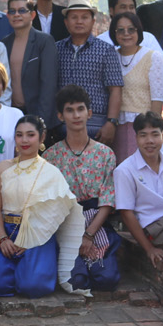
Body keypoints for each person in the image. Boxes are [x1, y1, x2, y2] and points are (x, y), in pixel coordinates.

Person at [0, 114, 80, 299]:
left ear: (41, 138)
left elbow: (57, 212)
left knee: (33, 286)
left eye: (30, 135)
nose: (24, 140)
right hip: (7, 232)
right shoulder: (2, 167)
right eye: (19, 135)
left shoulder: (50, 172)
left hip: (38, 234)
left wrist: (30, 239)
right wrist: (2, 238)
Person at [42, 87, 119, 293]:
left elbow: (108, 200)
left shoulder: (105, 154)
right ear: (60, 116)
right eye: (69, 110)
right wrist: (75, 235)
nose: (76, 115)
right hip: (66, 224)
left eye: (80, 109)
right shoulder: (51, 157)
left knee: (107, 280)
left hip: (97, 224)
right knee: (75, 282)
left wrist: (89, 234)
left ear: (89, 113)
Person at [114, 111, 163, 268]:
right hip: (154, 229)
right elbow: (126, 213)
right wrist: (149, 249)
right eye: (143, 135)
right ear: (136, 138)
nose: (149, 141)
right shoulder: (125, 170)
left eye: (155, 134)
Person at [54, 0, 124, 145]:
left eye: (84, 17)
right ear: (66, 22)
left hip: (97, 126)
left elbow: (115, 89)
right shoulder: (56, 49)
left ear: (93, 21)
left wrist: (111, 122)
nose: (79, 21)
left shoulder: (106, 50)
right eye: (74, 17)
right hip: (62, 126)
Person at [108, 11, 163, 163]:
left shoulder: (153, 57)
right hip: (116, 126)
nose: (126, 34)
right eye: (120, 30)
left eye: (131, 29)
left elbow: (157, 98)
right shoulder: (110, 56)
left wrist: (152, 132)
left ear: (139, 31)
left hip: (142, 126)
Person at [4, 0, 59, 122]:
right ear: (8, 16)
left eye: (22, 10)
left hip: (38, 113)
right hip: (12, 113)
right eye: (12, 11)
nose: (17, 14)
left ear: (32, 15)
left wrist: (41, 120)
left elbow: (48, 84)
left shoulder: (44, 41)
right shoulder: (4, 44)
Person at [96, 0, 162, 53]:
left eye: (131, 7)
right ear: (111, 11)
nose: (128, 11)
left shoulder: (148, 39)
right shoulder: (100, 42)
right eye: (123, 7)